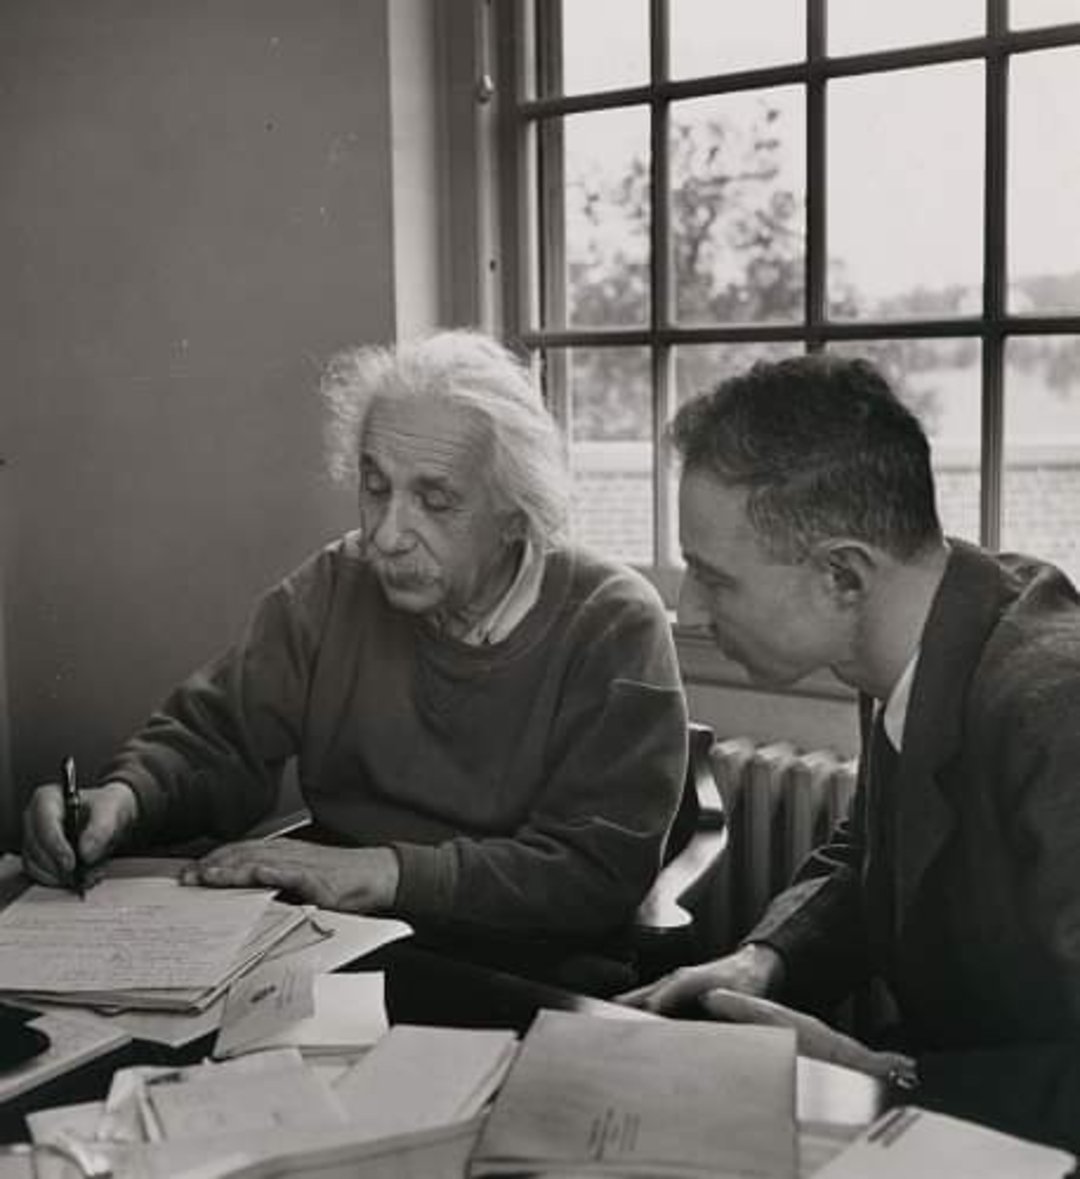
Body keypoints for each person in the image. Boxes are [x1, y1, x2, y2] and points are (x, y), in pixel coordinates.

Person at [22, 330, 687, 986]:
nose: (386, 535)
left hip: (529, 971)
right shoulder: (338, 583)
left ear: (518, 514)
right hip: (342, 952)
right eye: (375, 486)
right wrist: (123, 797)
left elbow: (591, 871)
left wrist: (384, 870)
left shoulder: (612, 621)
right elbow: (217, 738)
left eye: (435, 500)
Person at [621, 354, 1080, 1151]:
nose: (689, 609)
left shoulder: (1053, 708)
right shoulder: (930, 627)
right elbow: (873, 849)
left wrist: (888, 1075)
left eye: (713, 577)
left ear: (843, 575)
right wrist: (762, 960)